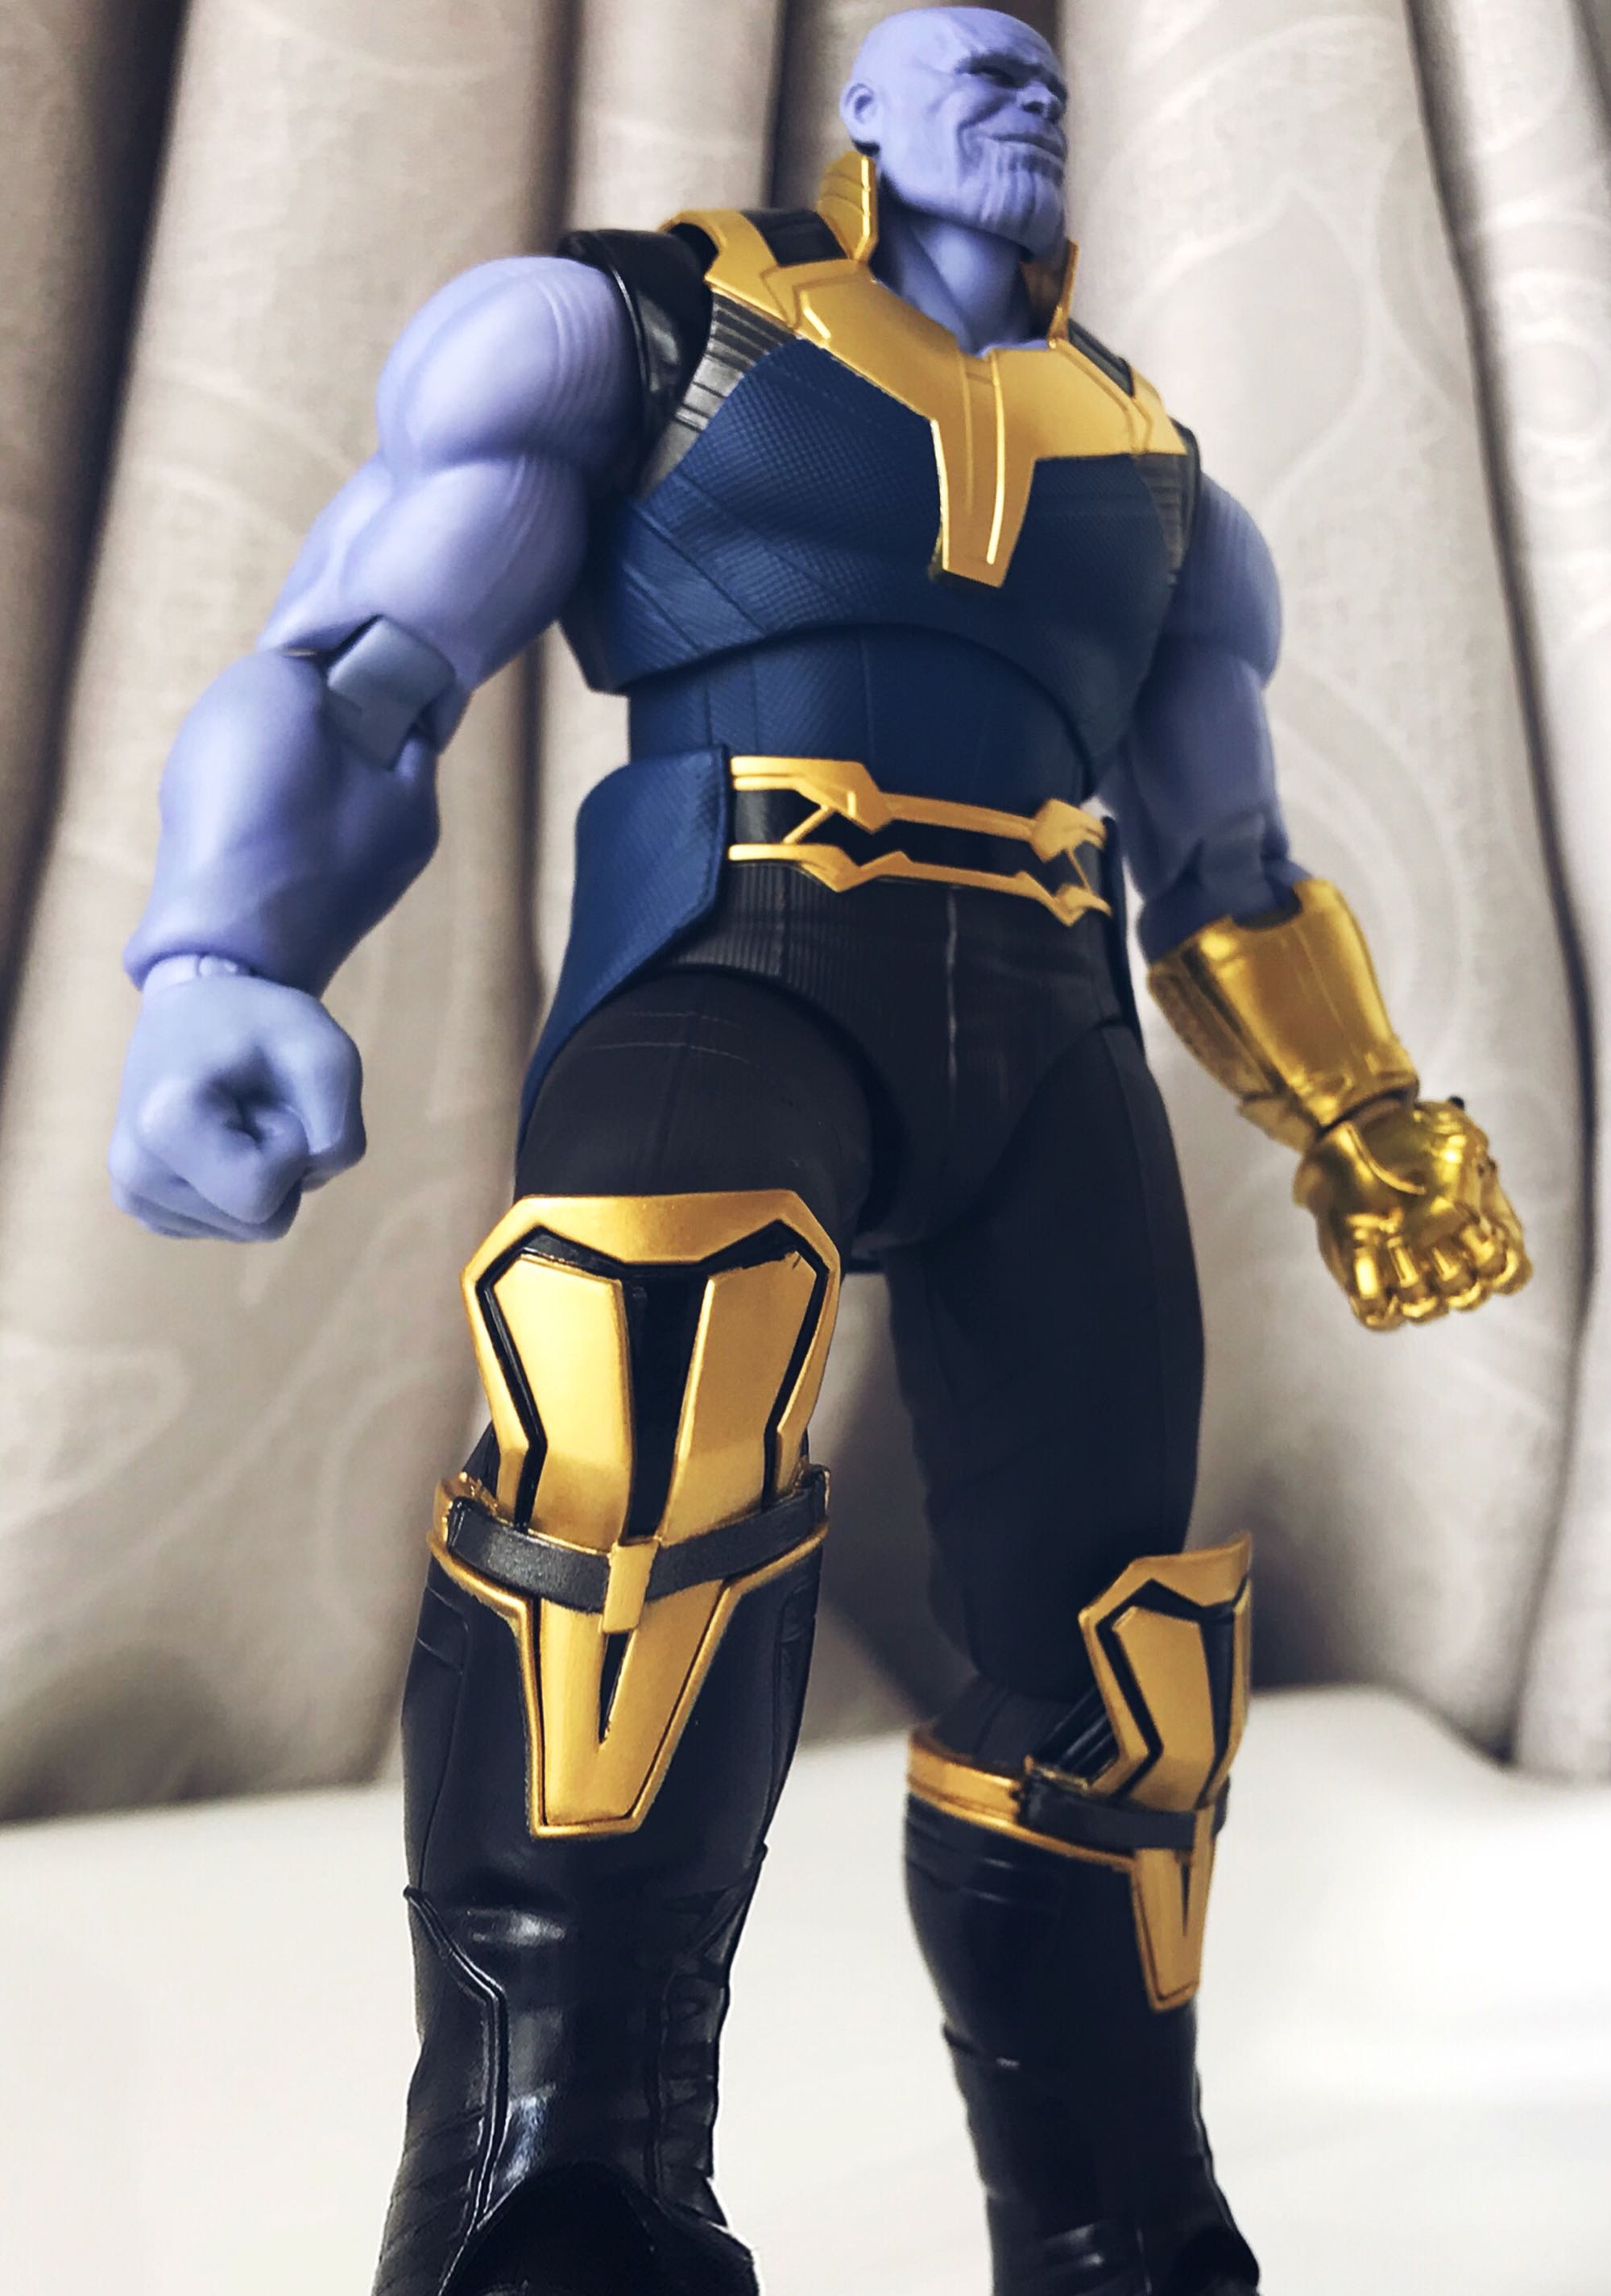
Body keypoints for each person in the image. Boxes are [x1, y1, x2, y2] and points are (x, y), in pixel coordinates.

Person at [109, 10, 1529, 2293]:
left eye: (1042, 66)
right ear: (857, 114)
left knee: (1121, 1653)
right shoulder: (637, 329)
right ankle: (551, 2199)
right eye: (961, 63)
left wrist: (1367, 1121)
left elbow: (1230, 868)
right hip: (732, 966)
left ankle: (1117, 2222)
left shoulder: (1160, 478)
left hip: (1051, 1034)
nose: (1020, 85)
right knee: (629, 1429)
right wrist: (218, 958)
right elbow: (361, 671)